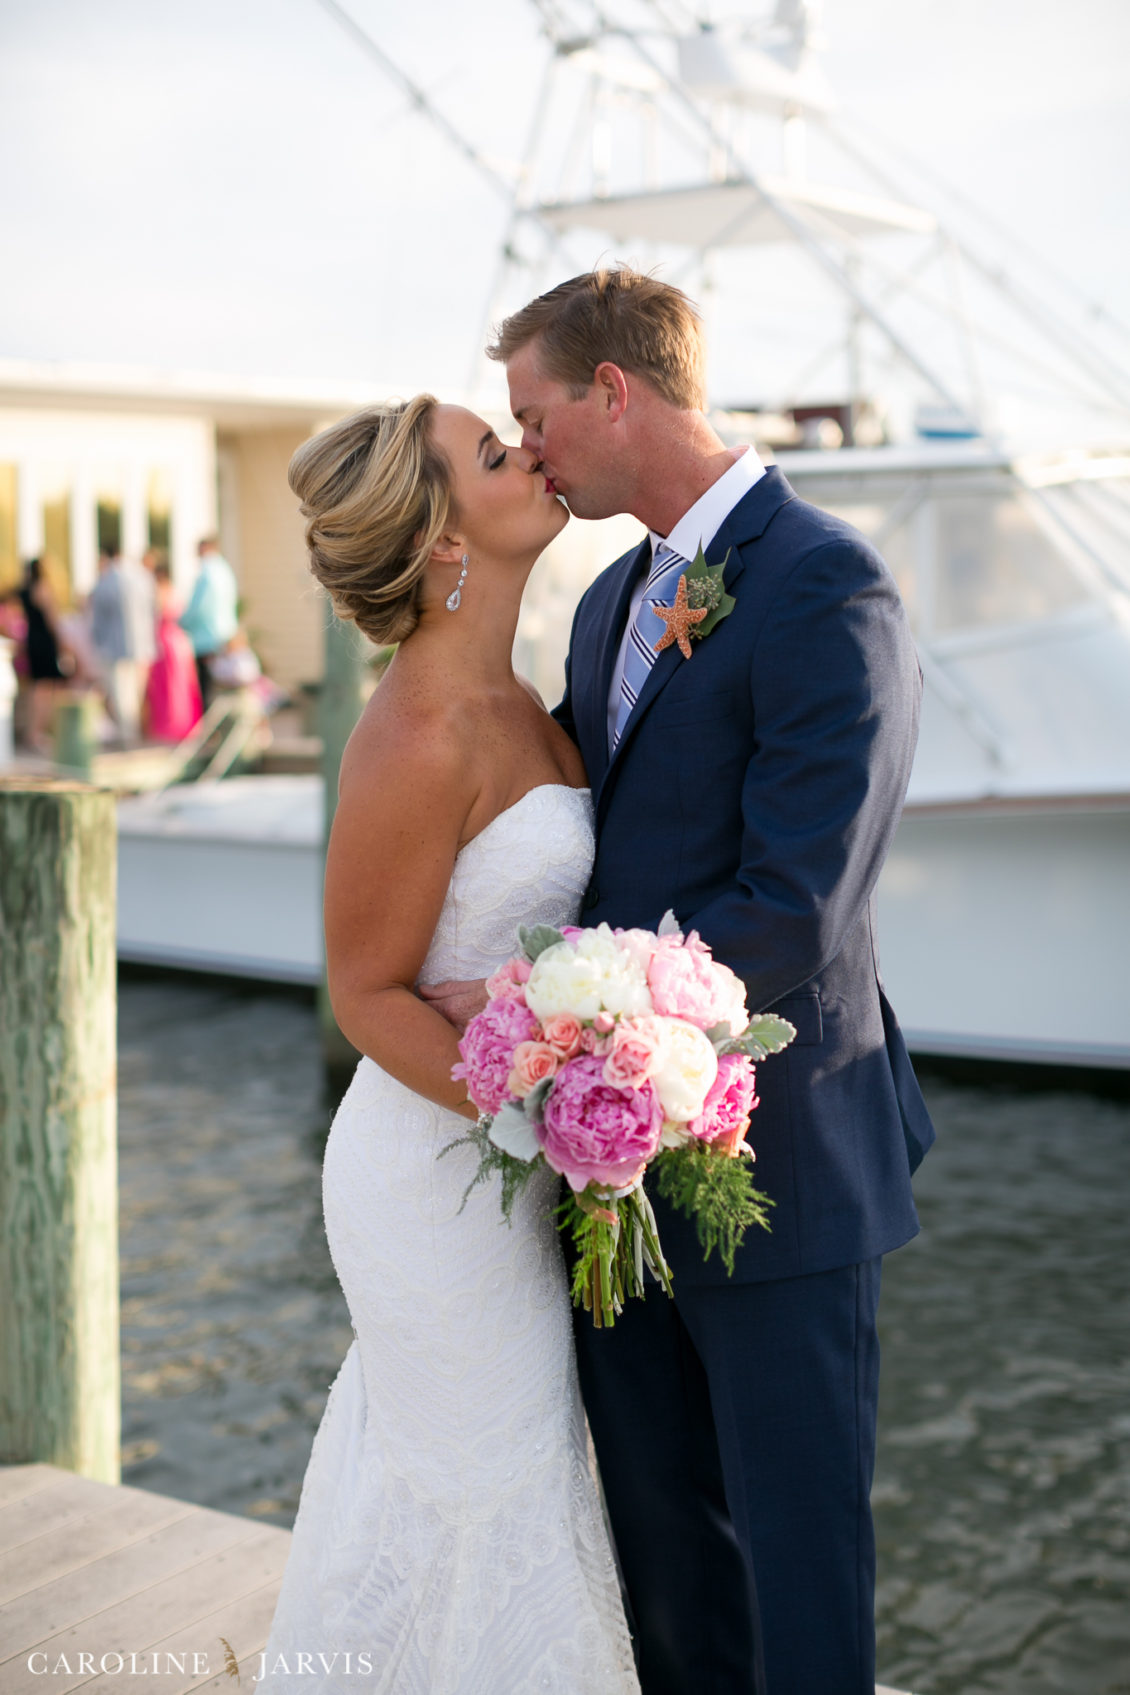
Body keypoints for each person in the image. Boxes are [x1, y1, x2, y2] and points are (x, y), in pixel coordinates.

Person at [423, 268, 937, 1695]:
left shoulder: (827, 580)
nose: (528, 451)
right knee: (668, 1556)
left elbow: (798, 899)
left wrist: (571, 1022)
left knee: (801, 1568)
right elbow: (590, 848)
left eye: (535, 415)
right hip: (609, 1172)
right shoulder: (609, 602)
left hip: (782, 1154)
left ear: (614, 391)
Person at [257, 397, 639, 1694]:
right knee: (488, 1481)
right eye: (493, 454)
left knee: (525, 1474)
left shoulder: (522, 694)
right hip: (433, 1180)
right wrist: (532, 1099)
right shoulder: (420, 732)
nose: (528, 454)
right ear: (439, 544)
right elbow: (364, 992)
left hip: (514, 1167)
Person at [89, 544, 156, 744]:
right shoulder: (143, 579)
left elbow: (98, 618)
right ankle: (133, 731)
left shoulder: (106, 582)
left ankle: (128, 733)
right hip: (142, 645)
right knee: (135, 691)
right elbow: (153, 610)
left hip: (114, 646)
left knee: (121, 692)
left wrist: (98, 641)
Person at [145, 561, 203, 742]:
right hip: (177, 642)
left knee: (170, 686)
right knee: (177, 685)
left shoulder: (160, 593)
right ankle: (181, 724)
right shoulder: (175, 592)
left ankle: (174, 725)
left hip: (166, 644)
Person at [179, 535, 238, 710]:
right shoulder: (224, 569)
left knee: (205, 687)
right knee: (221, 685)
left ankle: (207, 726)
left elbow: (198, 606)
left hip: (207, 636)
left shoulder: (207, 572)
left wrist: (182, 622)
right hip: (224, 633)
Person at [16, 556, 69, 753]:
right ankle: (37, 733)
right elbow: (53, 620)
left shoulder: (25, 591)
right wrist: (63, 644)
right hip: (45, 642)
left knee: (36, 689)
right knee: (45, 689)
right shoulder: (43, 589)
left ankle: (33, 732)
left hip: (32, 640)